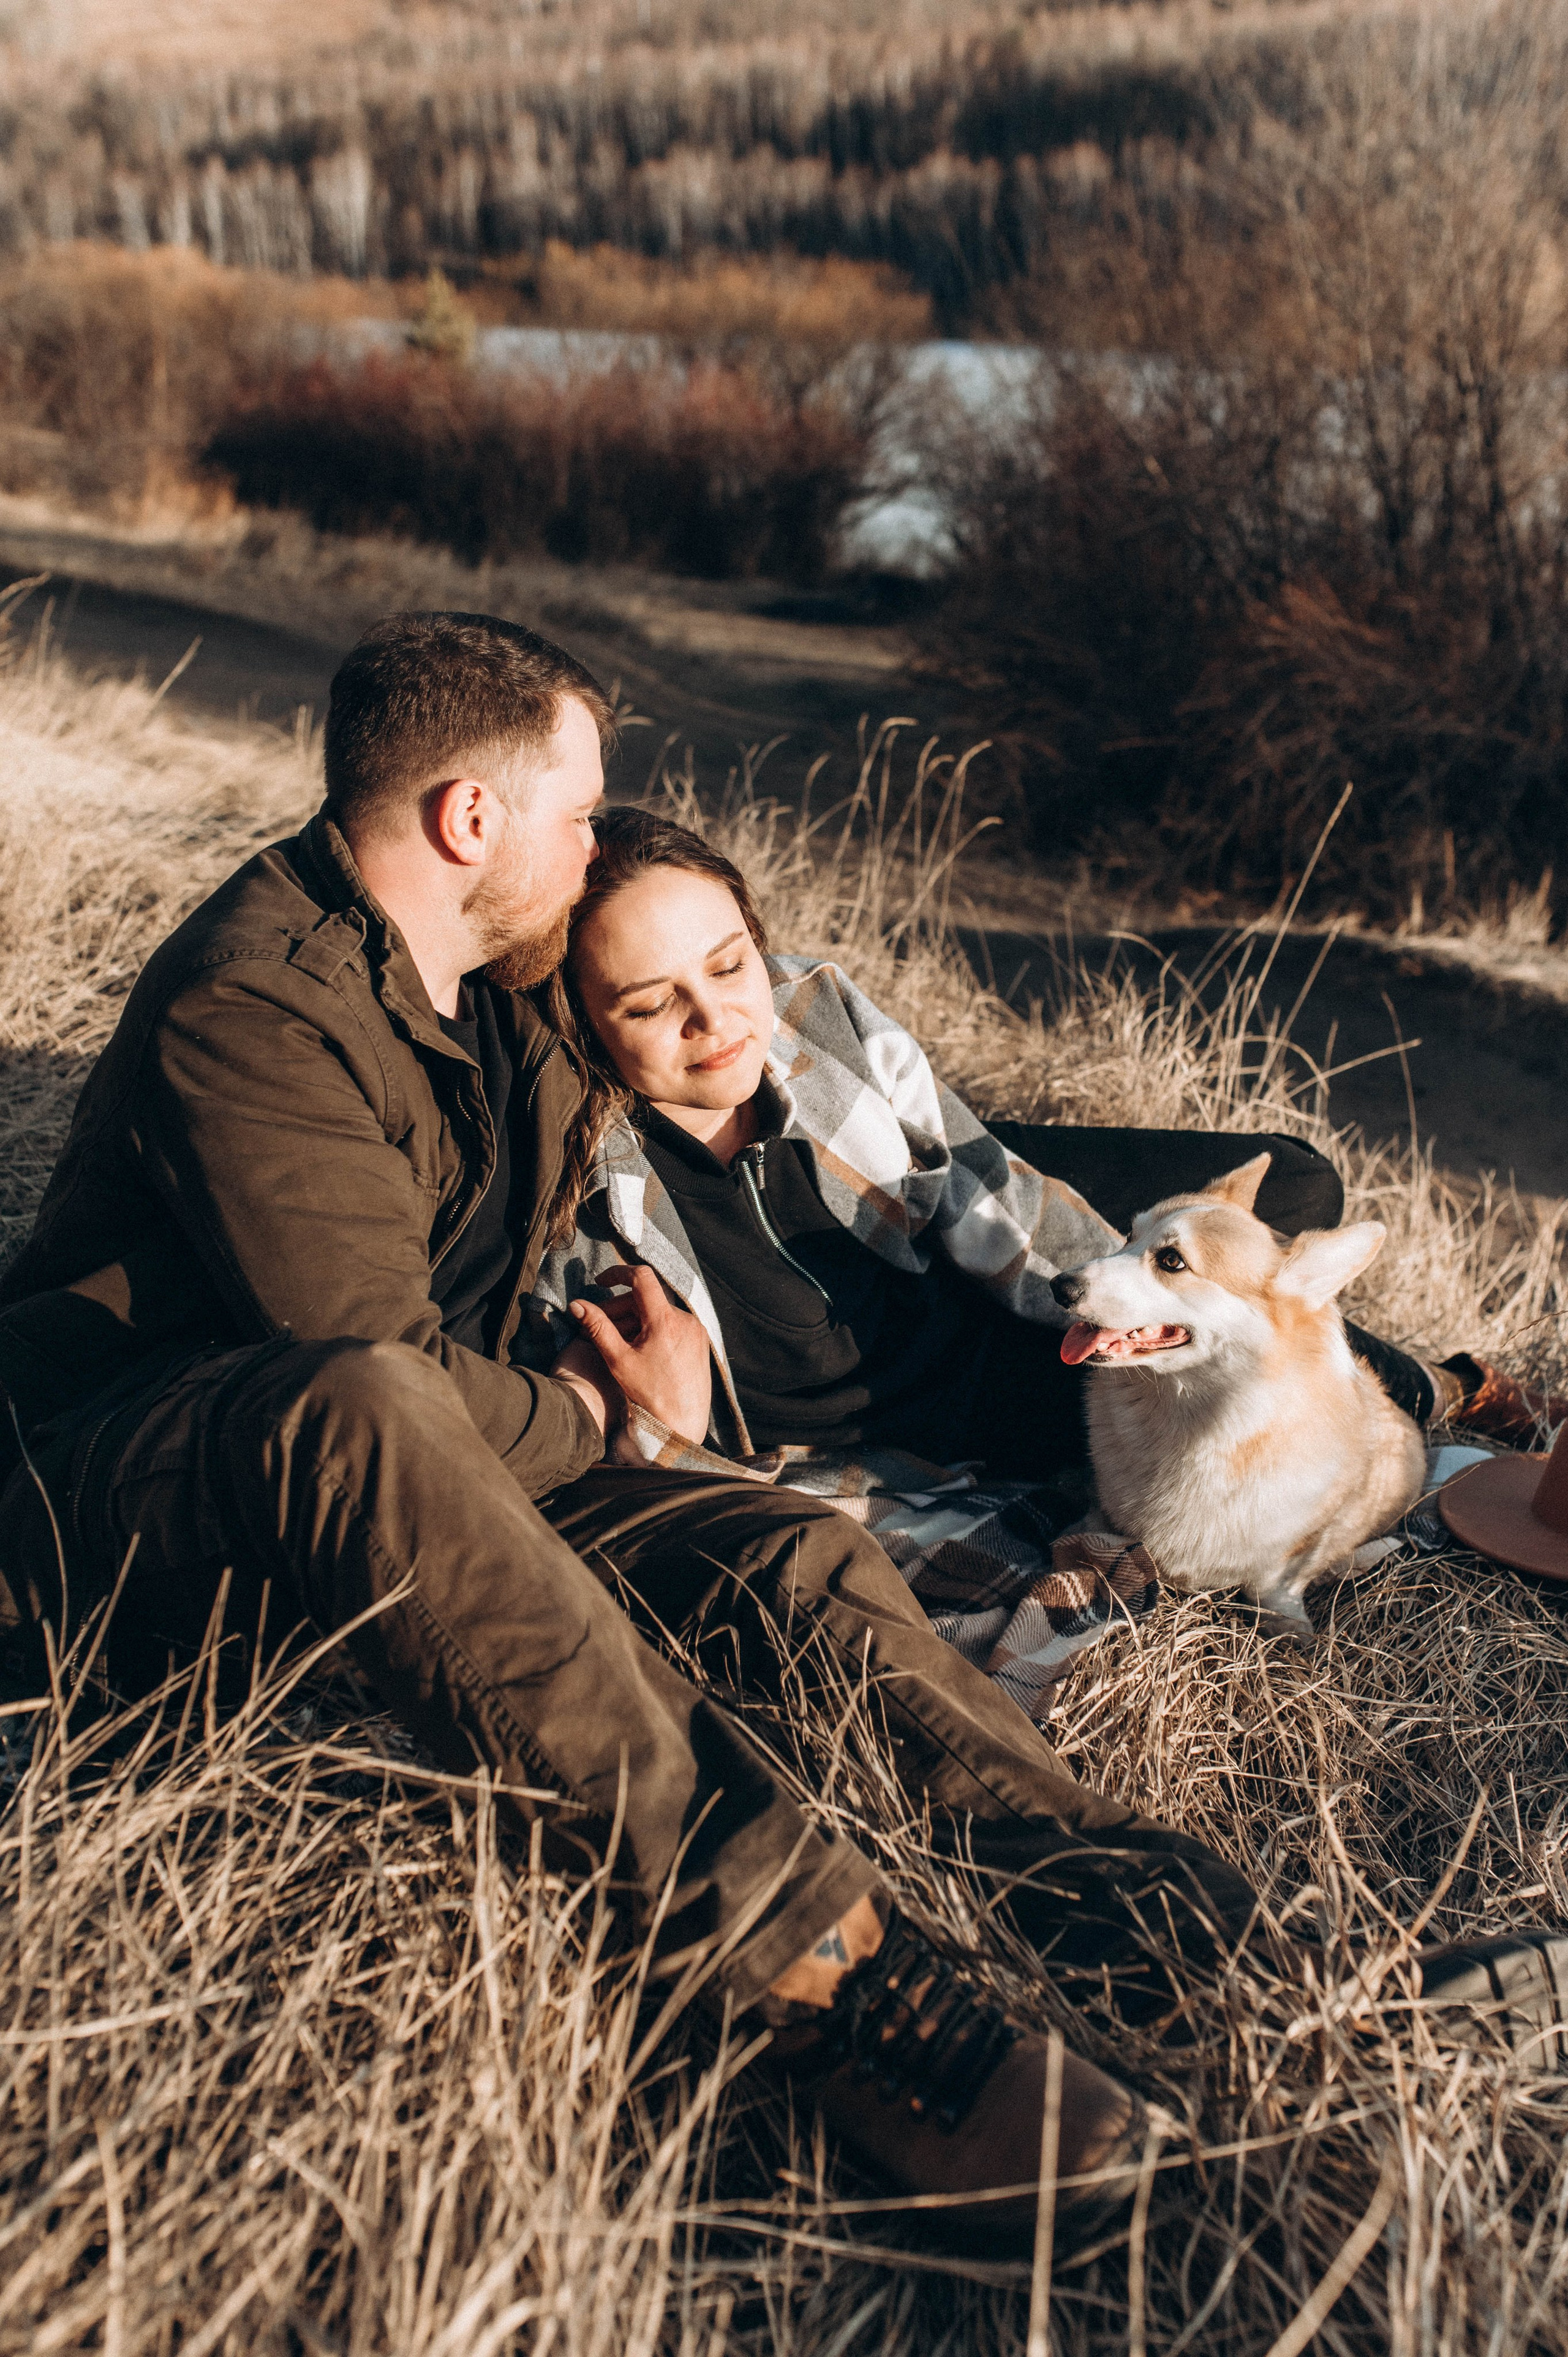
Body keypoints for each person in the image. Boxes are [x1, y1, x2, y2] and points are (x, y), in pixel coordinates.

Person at [0, 614, 1557, 2259]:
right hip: (146, 1487)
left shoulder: (494, 984)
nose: (599, 847)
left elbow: (730, 1019)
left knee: (793, 1551)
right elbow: (367, 1364)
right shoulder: (256, 1006)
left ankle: (1171, 1917)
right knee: (377, 1402)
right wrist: (613, 1412)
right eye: (582, 812)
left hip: (444, 1457)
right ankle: (843, 1992)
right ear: (472, 821)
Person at [527, 804, 1559, 1488]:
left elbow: (984, 1181)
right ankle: (1443, 1397)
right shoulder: (594, 1188)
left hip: (956, 1248)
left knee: (1293, 1181)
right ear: (586, 1023)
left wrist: (1118, 1292)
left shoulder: (810, 1008)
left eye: (730, 963)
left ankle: (1436, 1382)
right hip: (939, 1418)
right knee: (1216, 1373)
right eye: (655, 1004)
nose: (719, 1023)